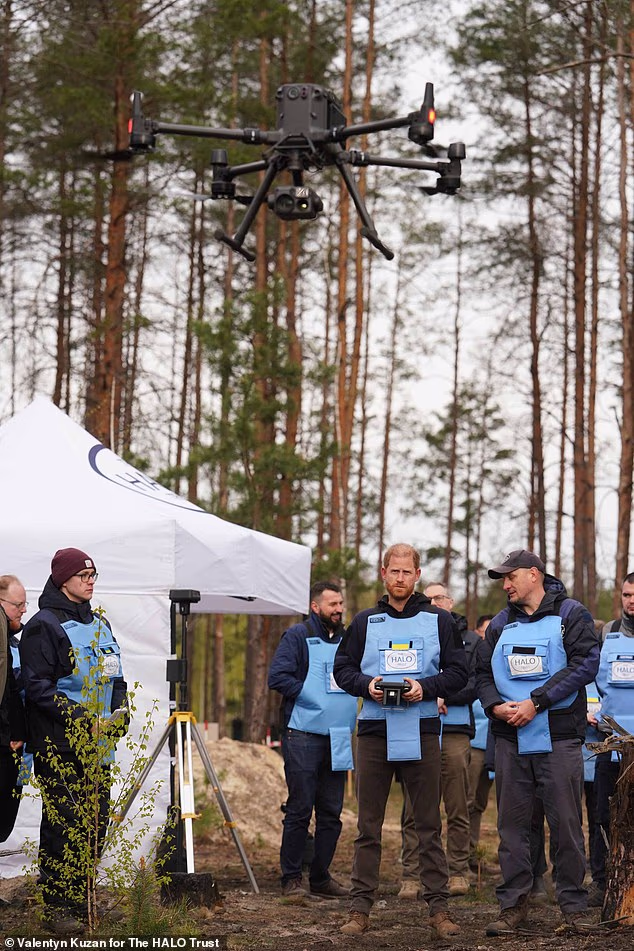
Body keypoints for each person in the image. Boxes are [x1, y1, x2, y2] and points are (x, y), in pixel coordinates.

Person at [334, 543, 468, 938]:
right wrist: (367, 684)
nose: (399, 578)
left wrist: (423, 688)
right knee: (368, 826)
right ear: (383, 573)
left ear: (417, 576)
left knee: (428, 823)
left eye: (407, 572)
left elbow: (459, 673)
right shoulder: (364, 622)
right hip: (375, 733)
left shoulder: (438, 621)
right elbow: (343, 669)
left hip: (422, 730)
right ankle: (360, 910)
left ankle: (439, 910)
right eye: (393, 571)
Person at [476, 549, 599, 936]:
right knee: (512, 828)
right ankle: (513, 907)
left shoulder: (571, 614)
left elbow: (585, 664)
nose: (506, 585)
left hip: (558, 738)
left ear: (534, 574)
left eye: (510, 577)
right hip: (510, 739)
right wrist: (495, 706)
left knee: (565, 825)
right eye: (502, 580)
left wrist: (537, 701)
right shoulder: (499, 624)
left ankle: (574, 908)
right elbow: (480, 673)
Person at [19, 549, 127, 934]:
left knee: (94, 825)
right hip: (60, 746)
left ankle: (83, 900)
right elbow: (37, 688)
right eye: (84, 575)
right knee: (64, 825)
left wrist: (121, 712)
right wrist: (84, 720)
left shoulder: (101, 624)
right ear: (63, 580)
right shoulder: (42, 626)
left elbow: (116, 679)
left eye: (94, 573)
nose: (91, 580)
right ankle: (56, 906)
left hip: (100, 747)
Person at [268, 581, 358, 901]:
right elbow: (277, 677)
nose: (339, 609)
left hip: (339, 736)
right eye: (332, 604)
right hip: (303, 734)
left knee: (332, 812)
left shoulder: (349, 640)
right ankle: (291, 879)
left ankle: (320, 877)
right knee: (300, 809)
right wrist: (311, 696)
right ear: (315, 606)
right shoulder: (298, 636)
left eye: (341, 604)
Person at [398, 582, 478, 899]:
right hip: (416, 726)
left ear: (450, 601)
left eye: (438, 598)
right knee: (413, 805)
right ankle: (411, 875)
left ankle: (459, 870)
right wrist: (429, 693)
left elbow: (475, 683)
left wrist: (444, 693)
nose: (433, 602)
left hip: (455, 729)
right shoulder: (410, 631)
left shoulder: (470, 640)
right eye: (427, 598)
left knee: (458, 803)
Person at [591, 573, 634, 907]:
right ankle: (602, 882)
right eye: (626, 594)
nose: (630, 600)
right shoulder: (607, 632)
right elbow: (590, 677)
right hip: (610, 740)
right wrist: (591, 709)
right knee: (603, 813)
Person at [0, 575, 27, 844]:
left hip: (16, 750)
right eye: (18, 605)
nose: (23, 610)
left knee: (5, 822)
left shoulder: (19, 644)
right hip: (4, 744)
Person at [466, 615, 495, 875]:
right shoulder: (473, 660)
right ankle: (463, 858)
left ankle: (475, 857)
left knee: (481, 803)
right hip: (474, 743)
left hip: (496, 743)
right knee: (469, 802)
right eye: (486, 631)